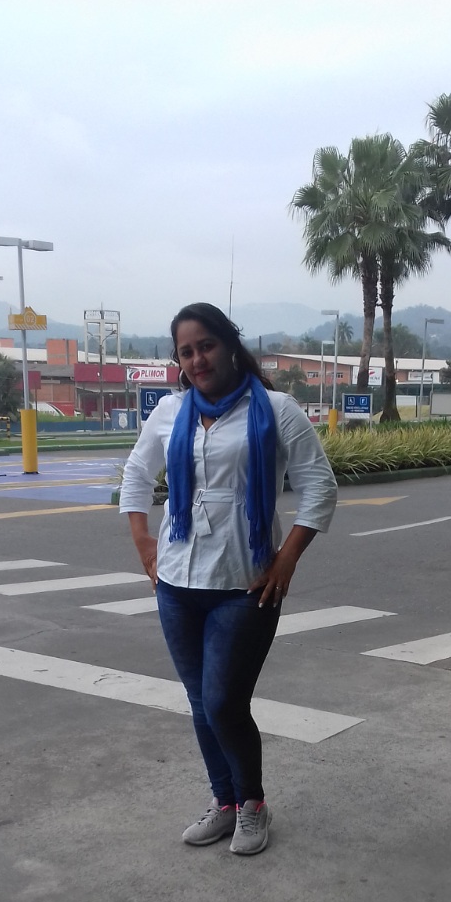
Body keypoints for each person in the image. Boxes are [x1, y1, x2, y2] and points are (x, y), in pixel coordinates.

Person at [119, 302, 337, 855]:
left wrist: (287, 558)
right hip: (176, 584)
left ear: (230, 345)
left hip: (245, 584)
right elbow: (137, 474)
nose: (197, 359)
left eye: (206, 346)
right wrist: (143, 541)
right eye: (186, 352)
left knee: (223, 704)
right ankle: (225, 802)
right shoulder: (171, 411)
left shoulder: (278, 410)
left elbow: (319, 487)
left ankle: (253, 803)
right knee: (200, 703)